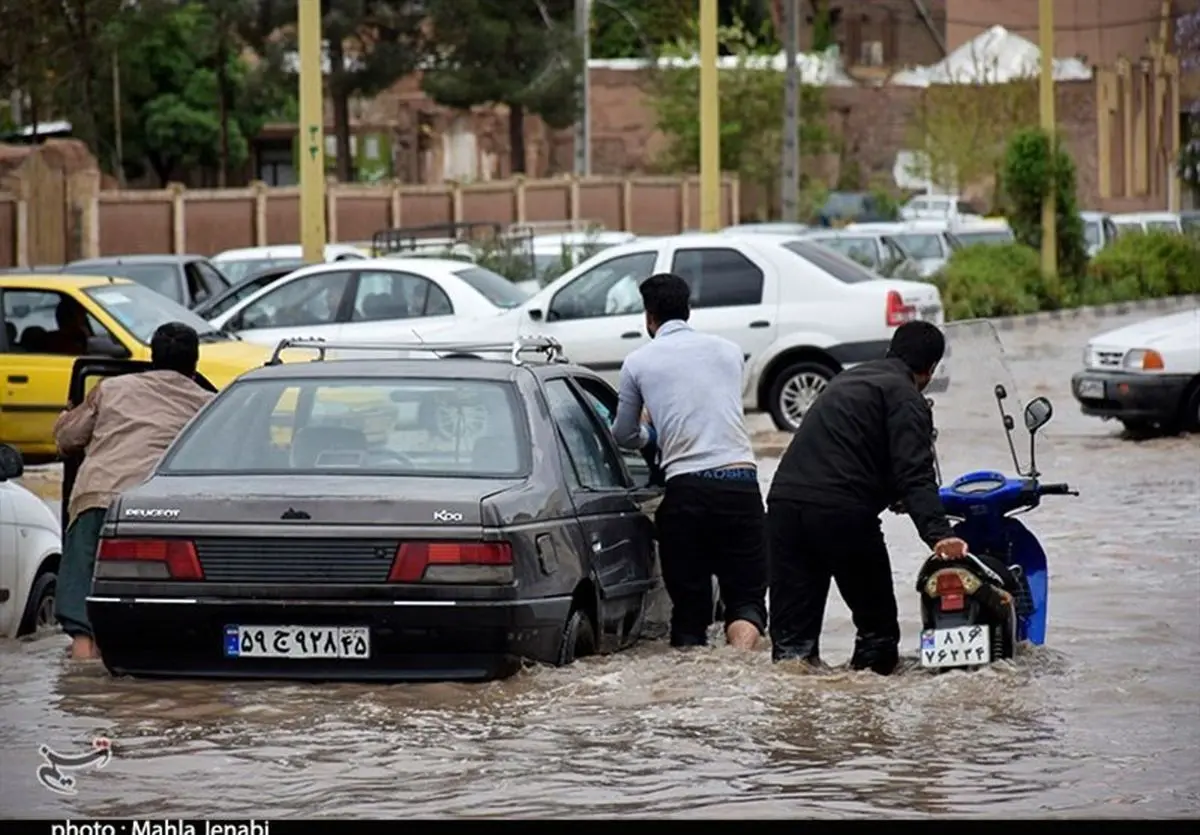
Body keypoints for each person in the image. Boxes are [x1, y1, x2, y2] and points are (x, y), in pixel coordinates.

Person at [766, 319, 968, 675]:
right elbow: (915, 475)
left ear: (891, 351)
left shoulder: (848, 379)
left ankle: (794, 703)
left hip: (785, 504)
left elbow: (849, 448)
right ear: (930, 368)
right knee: (878, 633)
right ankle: (867, 698)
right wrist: (940, 535)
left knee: (792, 646)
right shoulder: (906, 396)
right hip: (840, 511)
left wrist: (892, 493)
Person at [611, 273, 766, 650]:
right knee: (746, 601)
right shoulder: (730, 351)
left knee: (689, 614)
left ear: (649, 317)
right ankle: (739, 666)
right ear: (688, 310)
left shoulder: (637, 362)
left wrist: (651, 433)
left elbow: (623, 435)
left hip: (686, 490)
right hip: (741, 484)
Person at [53, 322, 214, 660]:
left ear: (152, 356)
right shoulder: (209, 405)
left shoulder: (111, 389)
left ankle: (81, 677)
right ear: (195, 362)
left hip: (97, 499)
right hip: (160, 510)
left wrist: (65, 416)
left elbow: (68, 439)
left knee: (82, 618)